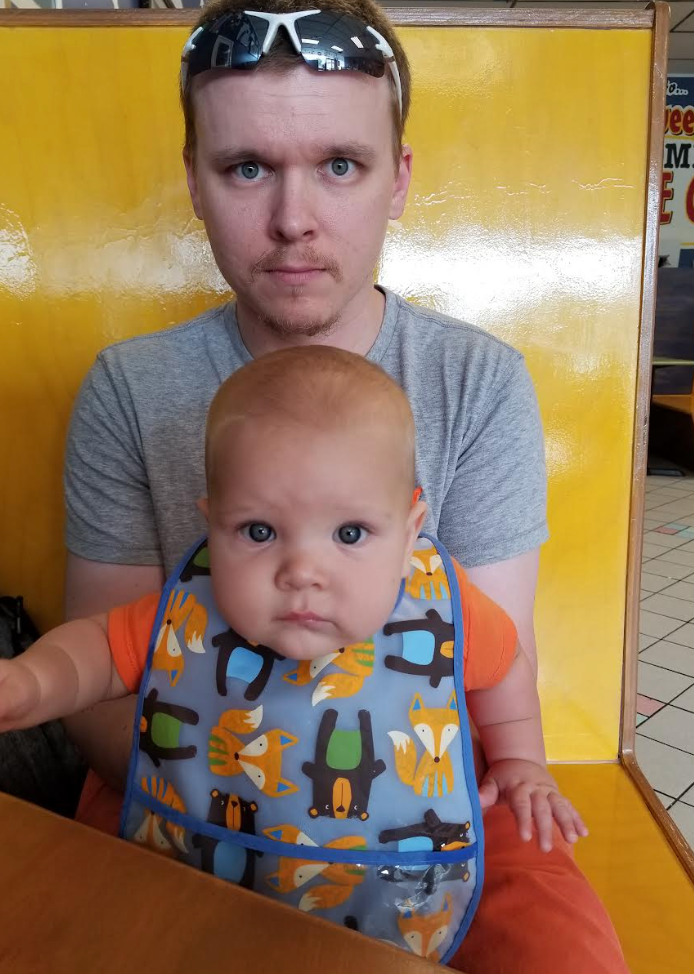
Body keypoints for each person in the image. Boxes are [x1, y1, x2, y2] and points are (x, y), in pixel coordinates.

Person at [59, 1, 628, 971]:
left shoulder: (475, 379)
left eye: (339, 165)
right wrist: (264, 811)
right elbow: (100, 687)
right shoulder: (128, 386)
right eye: (246, 167)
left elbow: (487, 661)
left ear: (396, 179)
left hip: (430, 795)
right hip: (182, 774)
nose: (292, 219)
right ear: (193, 181)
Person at [2, 348, 586, 962]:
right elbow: (97, 648)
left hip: (400, 882)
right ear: (213, 523)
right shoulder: (192, 609)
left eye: (350, 534)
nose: (303, 572)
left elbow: (504, 667)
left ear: (411, 531)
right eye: (258, 532)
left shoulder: (441, 609)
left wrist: (522, 759)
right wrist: (31, 682)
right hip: (205, 863)